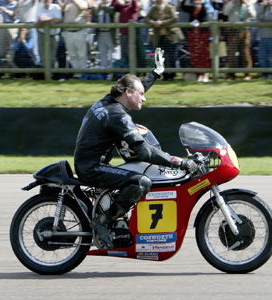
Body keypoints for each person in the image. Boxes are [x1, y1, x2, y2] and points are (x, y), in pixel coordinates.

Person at [74, 48, 198, 248]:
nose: (144, 98)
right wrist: (179, 162)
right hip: (92, 168)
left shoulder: (110, 101)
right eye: (140, 94)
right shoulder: (118, 116)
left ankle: (115, 215)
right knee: (140, 182)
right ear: (128, 93)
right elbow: (144, 152)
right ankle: (103, 221)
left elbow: (134, 89)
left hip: (89, 162)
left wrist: (155, 74)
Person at [145, 0, 184, 80]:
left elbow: (175, 18)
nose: (159, 1)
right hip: (159, 37)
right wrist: (153, 22)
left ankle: (172, 74)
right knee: (162, 57)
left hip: (171, 36)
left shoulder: (170, 7)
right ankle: (165, 75)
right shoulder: (153, 9)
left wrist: (162, 23)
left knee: (172, 56)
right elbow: (146, 19)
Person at [222, 0, 256, 80]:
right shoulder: (232, 2)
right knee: (231, 52)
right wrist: (232, 2)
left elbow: (254, 15)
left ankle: (247, 74)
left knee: (245, 52)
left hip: (245, 30)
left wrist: (247, 4)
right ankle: (230, 74)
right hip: (233, 29)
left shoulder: (249, 3)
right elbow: (225, 12)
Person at [181, 0, 212, 82]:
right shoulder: (191, 8)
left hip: (202, 35)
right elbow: (183, 7)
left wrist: (196, 23)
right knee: (195, 55)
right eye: (195, 3)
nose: (197, 5)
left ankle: (205, 74)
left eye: (198, 3)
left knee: (203, 54)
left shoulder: (204, 9)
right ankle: (198, 74)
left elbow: (203, 21)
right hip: (193, 36)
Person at [255, 0, 272, 80]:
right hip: (262, 36)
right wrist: (263, 7)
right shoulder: (259, 6)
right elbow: (258, 16)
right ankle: (264, 74)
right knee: (262, 57)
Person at [61, 0, 89, 72]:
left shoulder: (83, 1)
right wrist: (67, 2)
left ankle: (83, 72)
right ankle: (76, 73)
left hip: (79, 31)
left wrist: (74, 1)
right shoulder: (67, 2)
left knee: (81, 54)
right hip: (68, 31)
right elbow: (62, 9)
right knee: (72, 54)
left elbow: (83, 9)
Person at [35, 0, 62, 68]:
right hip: (42, 35)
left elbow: (59, 20)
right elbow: (37, 25)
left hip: (53, 36)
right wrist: (39, 20)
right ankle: (46, 75)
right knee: (43, 56)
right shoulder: (39, 8)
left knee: (52, 57)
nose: (46, 0)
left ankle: (53, 75)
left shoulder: (56, 7)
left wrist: (48, 19)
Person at [92, 0, 116, 69]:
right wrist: (97, 7)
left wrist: (103, 7)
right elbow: (94, 14)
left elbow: (112, 12)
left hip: (110, 33)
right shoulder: (98, 6)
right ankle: (103, 68)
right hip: (100, 33)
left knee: (112, 52)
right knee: (102, 52)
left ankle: (112, 69)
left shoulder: (112, 5)